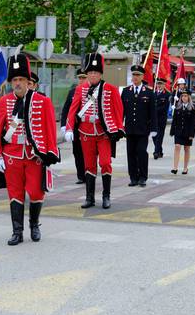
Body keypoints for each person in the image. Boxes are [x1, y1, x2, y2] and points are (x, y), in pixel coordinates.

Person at [0, 53, 60, 245]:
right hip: (11, 154)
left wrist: (49, 153)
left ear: (28, 81)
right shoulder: (5, 102)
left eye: (22, 79)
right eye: (15, 79)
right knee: (14, 193)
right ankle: (17, 231)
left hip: (34, 155)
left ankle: (34, 225)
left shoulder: (42, 101)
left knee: (36, 192)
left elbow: (49, 130)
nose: (18, 83)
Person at [65, 53, 124, 209]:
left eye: (95, 72)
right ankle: (89, 198)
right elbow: (73, 110)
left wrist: (119, 128)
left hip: (104, 133)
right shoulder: (80, 89)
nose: (92, 75)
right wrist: (69, 127)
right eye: (90, 72)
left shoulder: (110, 89)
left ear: (100, 73)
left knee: (105, 163)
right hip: (85, 133)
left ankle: (106, 196)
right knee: (89, 166)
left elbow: (118, 110)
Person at [121, 65, 157, 187]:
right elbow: (121, 111)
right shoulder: (126, 92)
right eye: (134, 75)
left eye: (138, 75)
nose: (135, 77)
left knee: (141, 152)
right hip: (130, 129)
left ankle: (142, 176)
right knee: (130, 153)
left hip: (143, 129)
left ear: (142, 76)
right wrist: (119, 126)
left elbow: (153, 112)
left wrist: (154, 129)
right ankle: (133, 177)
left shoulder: (149, 92)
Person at [60, 68, 87, 184]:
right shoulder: (73, 92)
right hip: (75, 127)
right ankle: (81, 175)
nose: (81, 80)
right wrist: (63, 125)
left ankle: (89, 173)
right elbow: (66, 109)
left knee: (88, 152)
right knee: (77, 152)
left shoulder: (93, 92)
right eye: (80, 78)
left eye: (83, 78)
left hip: (87, 127)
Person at [169, 89, 195, 174]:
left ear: (189, 97)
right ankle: (175, 167)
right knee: (177, 146)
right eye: (182, 96)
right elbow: (174, 120)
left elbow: (193, 122)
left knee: (186, 148)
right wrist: (172, 131)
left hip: (188, 131)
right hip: (178, 131)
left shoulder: (192, 108)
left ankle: (185, 168)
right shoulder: (178, 106)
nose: (184, 98)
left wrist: (192, 134)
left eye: (185, 96)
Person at [152, 78, 170, 160]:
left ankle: (156, 152)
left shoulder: (167, 95)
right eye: (158, 84)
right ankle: (160, 151)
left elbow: (165, 107)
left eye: (161, 84)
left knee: (159, 136)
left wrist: (154, 110)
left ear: (164, 85)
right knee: (154, 136)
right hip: (153, 119)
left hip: (161, 119)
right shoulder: (153, 94)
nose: (159, 85)